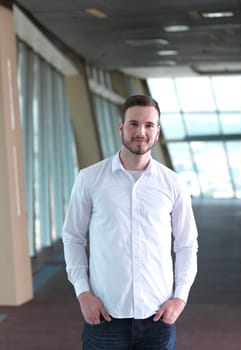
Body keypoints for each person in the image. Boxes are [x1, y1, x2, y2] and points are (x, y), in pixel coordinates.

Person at [62, 94, 198, 350]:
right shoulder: (90, 179)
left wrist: (180, 298)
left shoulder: (173, 184)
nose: (141, 132)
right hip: (104, 314)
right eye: (134, 123)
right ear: (121, 127)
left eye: (149, 125)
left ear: (157, 131)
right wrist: (83, 293)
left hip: (159, 315)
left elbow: (187, 244)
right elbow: (73, 237)